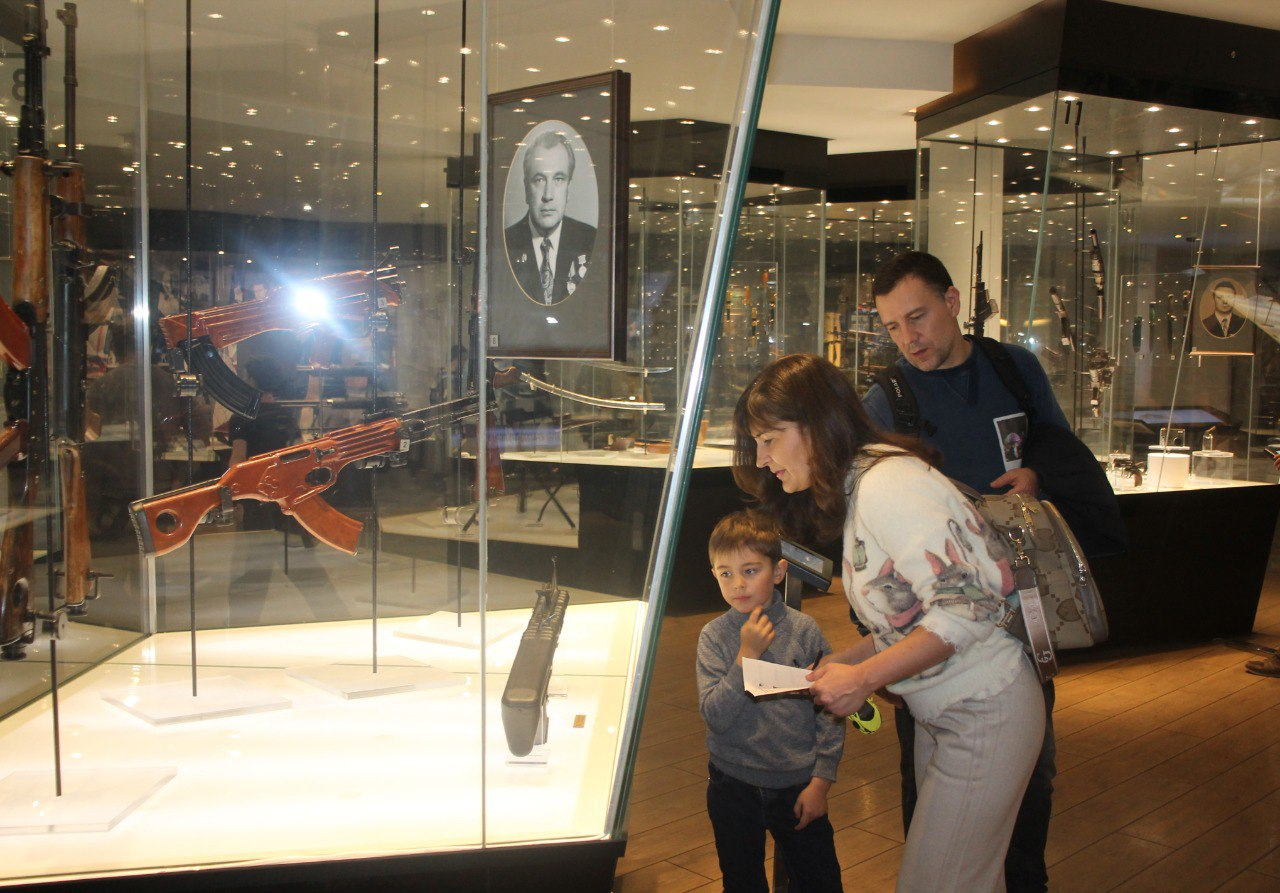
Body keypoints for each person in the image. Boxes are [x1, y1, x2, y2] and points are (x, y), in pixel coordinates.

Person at [734, 354, 1045, 892]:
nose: (763, 459)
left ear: (814, 424)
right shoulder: (867, 481)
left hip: (984, 706)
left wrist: (863, 678)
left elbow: (968, 605)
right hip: (951, 712)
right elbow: (914, 616)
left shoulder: (887, 484)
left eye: (769, 439)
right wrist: (846, 662)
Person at [860, 251, 1064, 893]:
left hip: (1022, 605)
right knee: (928, 777)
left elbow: (1059, 446)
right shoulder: (887, 399)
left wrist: (1037, 475)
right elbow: (870, 538)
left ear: (952, 302)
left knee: (1030, 773)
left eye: (917, 317)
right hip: (932, 625)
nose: (909, 337)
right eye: (893, 327)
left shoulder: (1013, 368)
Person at [697, 510, 845, 893]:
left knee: (819, 880)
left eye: (750, 570)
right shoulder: (714, 636)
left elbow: (830, 710)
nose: (737, 584)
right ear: (713, 575)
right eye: (725, 573)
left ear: (778, 571)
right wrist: (745, 656)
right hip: (732, 784)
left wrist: (821, 782)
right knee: (742, 881)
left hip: (797, 784)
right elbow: (715, 715)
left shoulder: (804, 631)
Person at [503, 130, 596, 306]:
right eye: (539, 180)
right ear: (526, 188)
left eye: (558, 179)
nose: (548, 195)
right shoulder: (505, 244)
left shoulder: (590, 242)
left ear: (568, 187)